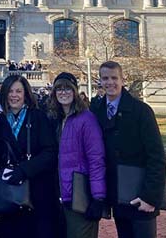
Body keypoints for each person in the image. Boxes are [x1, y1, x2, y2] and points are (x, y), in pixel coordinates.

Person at [91, 61, 166, 238]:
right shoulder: (97, 111)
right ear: (100, 81)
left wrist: (150, 197)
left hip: (141, 194)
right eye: (105, 78)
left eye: (114, 78)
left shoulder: (141, 111)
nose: (110, 82)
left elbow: (157, 157)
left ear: (122, 79)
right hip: (118, 196)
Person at [0, 75, 58, 238]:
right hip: (8, 194)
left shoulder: (38, 117)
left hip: (35, 193)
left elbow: (50, 153)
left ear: (26, 94)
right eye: (10, 91)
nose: (14, 95)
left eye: (18, 91)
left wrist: (24, 169)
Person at [47, 72, 106, 238]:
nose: (63, 92)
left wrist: (98, 197)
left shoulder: (87, 119)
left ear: (75, 91)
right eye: (59, 89)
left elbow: (96, 159)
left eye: (67, 88)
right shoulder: (56, 119)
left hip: (81, 195)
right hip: (61, 194)